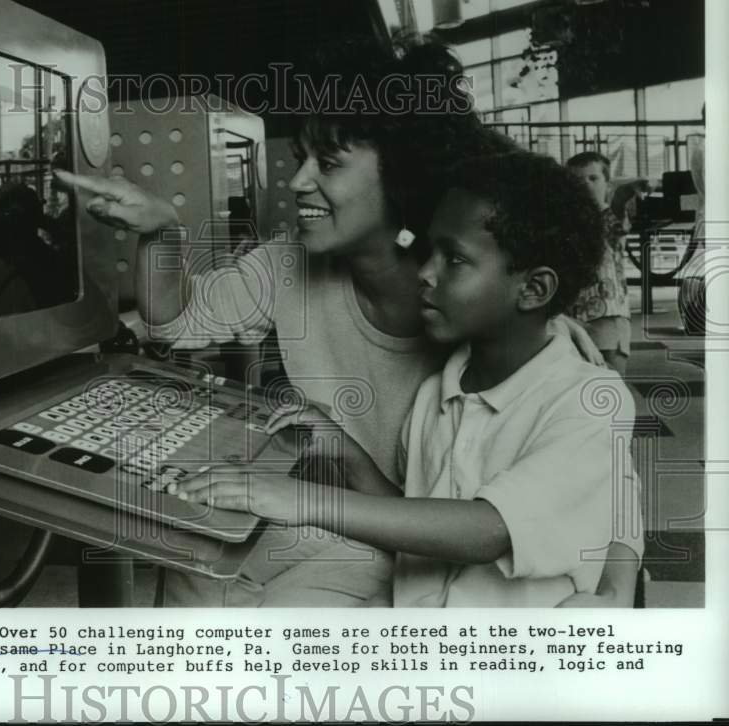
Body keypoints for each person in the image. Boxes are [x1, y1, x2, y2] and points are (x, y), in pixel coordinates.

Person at [55, 33, 639, 607]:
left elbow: (598, 478)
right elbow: (177, 322)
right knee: (195, 555)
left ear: (403, 174)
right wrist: (162, 231)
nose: (297, 182)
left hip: (410, 555)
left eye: (328, 164)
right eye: (301, 159)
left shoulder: (489, 307)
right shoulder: (296, 265)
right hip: (359, 527)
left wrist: (616, 587)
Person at [176, 151, 644, 607]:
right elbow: (414, 517)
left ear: (534, 289)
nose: (424, 272)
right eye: (427, 250)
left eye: (453, 259)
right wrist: (347, 453)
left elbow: (489, 530)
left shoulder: (586, 397)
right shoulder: (436, 394)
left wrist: (299, 499)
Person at [565, 152, 633, 376]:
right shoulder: (568, 223)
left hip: (608, 318)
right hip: (573, 318)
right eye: (577, 180)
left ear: (608, 185)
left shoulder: (609, 217)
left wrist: (622, 195)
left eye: (593, 178)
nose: (585, 185)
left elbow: (618, 216)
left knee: (609, 381)